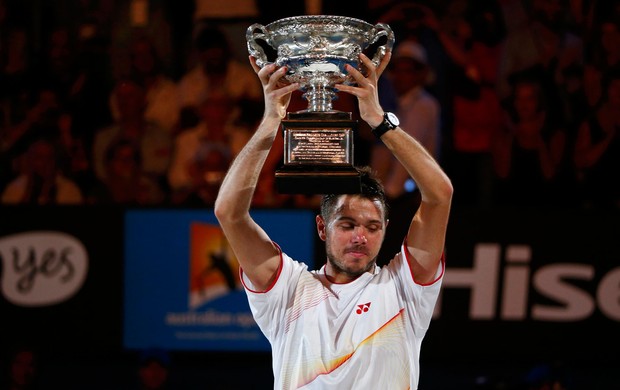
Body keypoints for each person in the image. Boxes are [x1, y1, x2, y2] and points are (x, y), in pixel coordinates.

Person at [214, 50, 453, 389]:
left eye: (372, 227)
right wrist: (270, 124)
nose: (360, 237)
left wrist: (379, 120)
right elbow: (229, 213)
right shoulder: (289, 290)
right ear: (322, 228)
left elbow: (440, 194)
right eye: (347, 224)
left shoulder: (404, 290)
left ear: (386, 230)